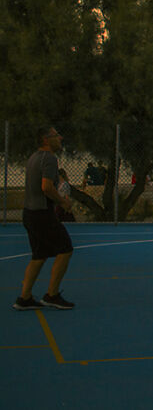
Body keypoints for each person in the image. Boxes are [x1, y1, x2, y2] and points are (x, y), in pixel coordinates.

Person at [13, 126, 75, 311]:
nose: (60, 138)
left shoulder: (33, 157)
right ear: (46, 140)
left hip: (29, 213)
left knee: (38, 256)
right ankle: (52, 295)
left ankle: (24, 298)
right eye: (56, 135)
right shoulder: (49, 159)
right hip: (41, 213)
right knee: (65, 249)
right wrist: (62, 201)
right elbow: (46, 187)